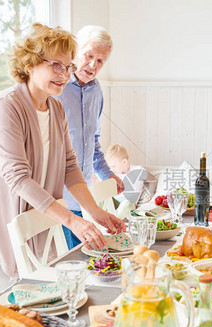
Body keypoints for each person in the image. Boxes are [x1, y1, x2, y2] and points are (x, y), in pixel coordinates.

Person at [0, 24, 125, 294]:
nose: (64, 74)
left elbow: (69, 166)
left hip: (33, 217)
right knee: (4, 310)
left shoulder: (55, 107)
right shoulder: (7, 105)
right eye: (56, 65)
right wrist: (72, 220)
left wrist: (94, 212)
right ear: (30, 63)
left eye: (67, 67)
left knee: (40, 302)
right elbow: (17, 177)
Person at [57, 25, 124, 249]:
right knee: (70, 259)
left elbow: (92, 142)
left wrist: (107, 173)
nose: (93, 65)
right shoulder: (58, 88)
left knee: (82, 256)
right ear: (76, 51)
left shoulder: (97, 92)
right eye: (89, 56)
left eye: (100, 60)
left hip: (80, 192)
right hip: (55, 194)